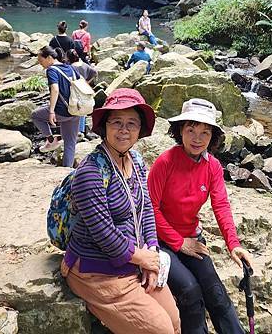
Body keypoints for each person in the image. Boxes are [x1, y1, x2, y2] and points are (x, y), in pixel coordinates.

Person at [61, 88, 181, 334]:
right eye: (117, 122)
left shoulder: (136, 160)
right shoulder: (90, 172)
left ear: (140, 129)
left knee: (175, 320)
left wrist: (151, 252)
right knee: (161, 330)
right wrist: (143, 259)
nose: (124, 130)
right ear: (104, 126)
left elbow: (146, 208)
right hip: (96, 270)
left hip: (135, 261)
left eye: (132, 123)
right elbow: (103, 232)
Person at [148, 98, 253, 334]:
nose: (197, 138)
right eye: (191, 130)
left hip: (192, 239)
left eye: (205, 132)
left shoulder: (213, 166)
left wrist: (233, 244)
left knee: (214, 291)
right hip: (161, 242)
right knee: (189, 290)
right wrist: (178, 242)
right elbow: (150, 209)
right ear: (180, 131)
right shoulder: (165, 162)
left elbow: (221, 206)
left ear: (213, 136)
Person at [32, 46, 81, 167]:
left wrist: (51, 111)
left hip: (62, 111)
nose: (41, 64)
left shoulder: (51, 70)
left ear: (49, 58)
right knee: (70, 143)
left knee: (35, 116)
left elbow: (55, 88)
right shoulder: (70, 67)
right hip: (76, 110)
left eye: (41, 61)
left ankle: (50, 140)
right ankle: (66, 172)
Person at [66, 48, 97, 136]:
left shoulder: (70, 67)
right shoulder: (84, 65)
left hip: (74, 89)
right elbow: (94, 72)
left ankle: (75, 130)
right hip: (84, 89)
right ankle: (81, 130)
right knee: (83, 109)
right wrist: (87, 82)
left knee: (74, 107)